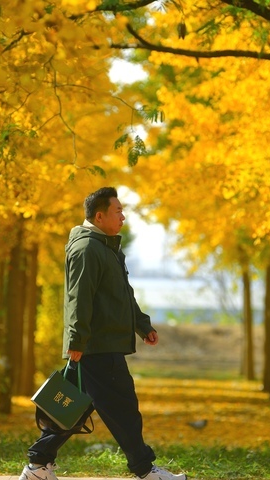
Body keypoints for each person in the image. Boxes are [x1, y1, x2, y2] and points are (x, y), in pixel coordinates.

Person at [20, 187, 186, 480]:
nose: (123, 217)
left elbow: (121, 295)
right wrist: (76, 340)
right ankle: (145, 470)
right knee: (123, 409)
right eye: (118, 211)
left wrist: (142, 325)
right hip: (96, 345)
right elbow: (78, 297)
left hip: (100, 343)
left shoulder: (106, 247)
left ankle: (38, 465)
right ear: (99, 216)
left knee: (74, 408)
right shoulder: (88, 249)